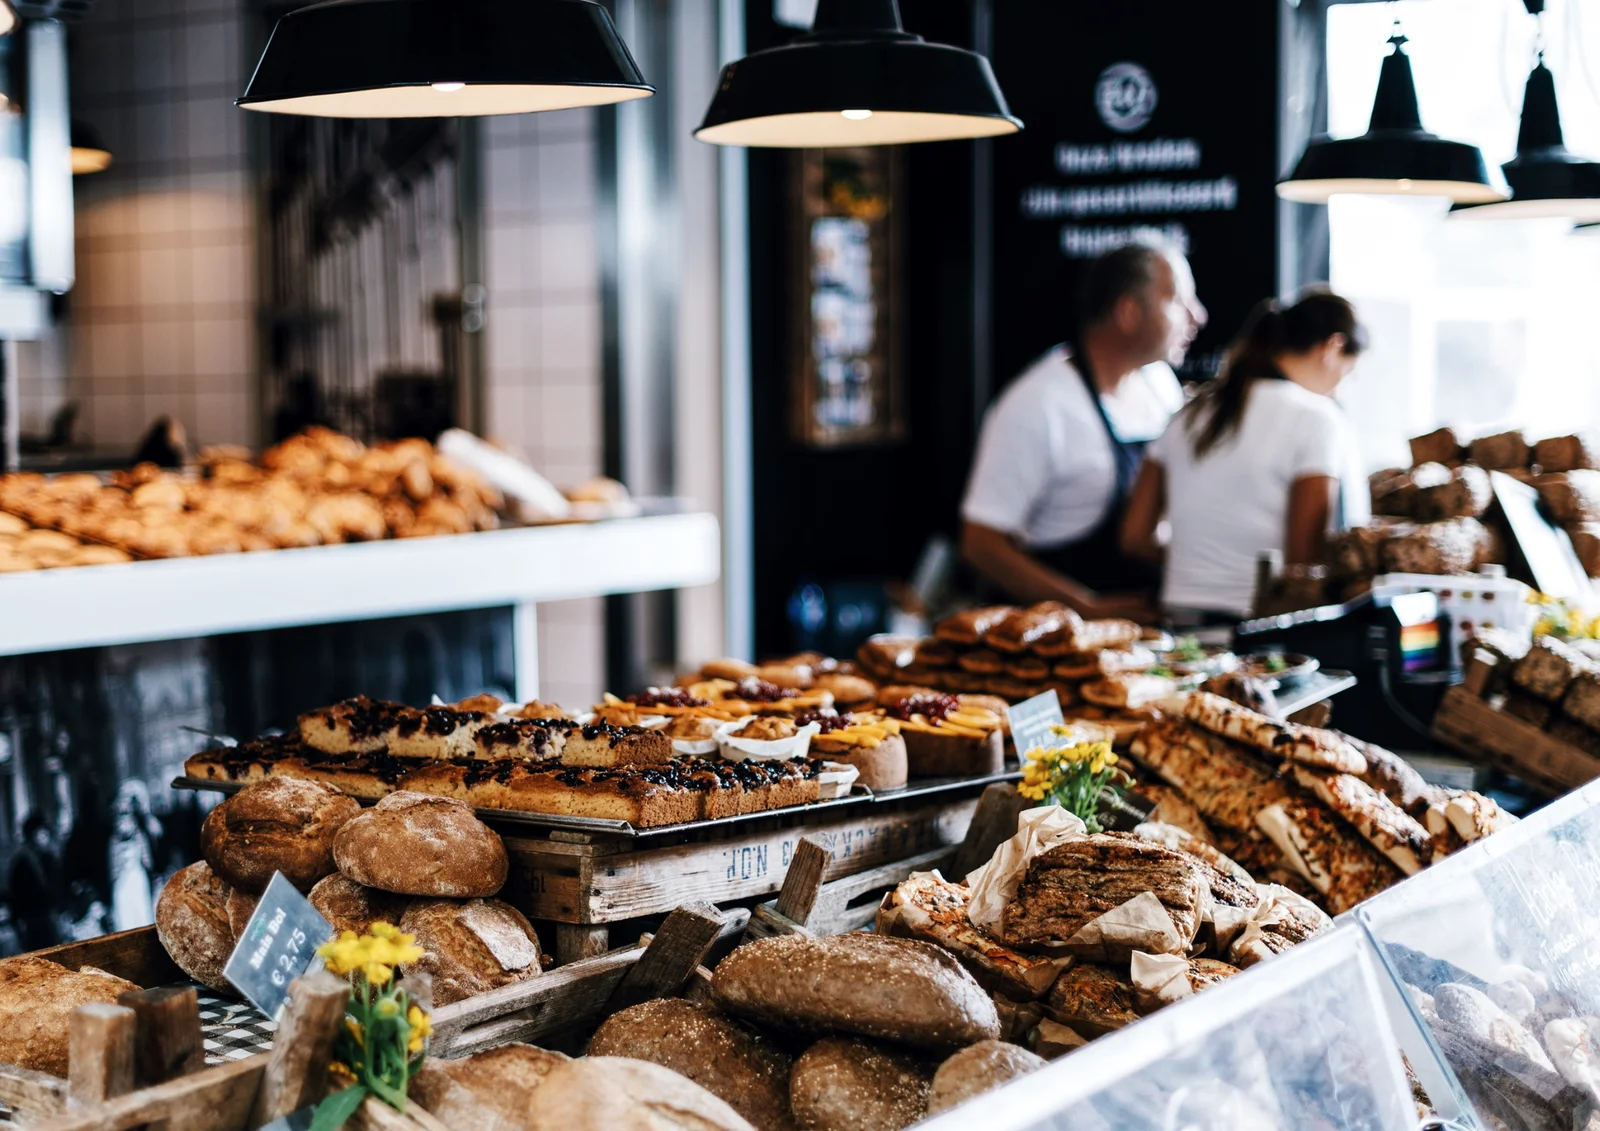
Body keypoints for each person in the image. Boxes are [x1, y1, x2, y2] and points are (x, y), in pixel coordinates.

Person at [960, 241, 1208, 620]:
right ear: (1128, 312)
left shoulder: (1159, 383)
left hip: (1149, 631)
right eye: (1178, 301)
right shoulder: (1038, 404)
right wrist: (1084, 608)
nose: (1198, 316)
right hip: (1059, 641)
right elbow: (980, 544)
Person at [1120, 290, 1371, 622]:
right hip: (1260, 629)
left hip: (1179, 623)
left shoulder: (1188, 414)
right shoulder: (1318, 419)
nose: (1341, 387)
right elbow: (1303, 563)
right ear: (1333, 348)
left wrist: (1201, 563)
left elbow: (1134, 537)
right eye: (1348, 373)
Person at [10, 813, 63, 951]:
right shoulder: (22, 865)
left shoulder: (50, 860)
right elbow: (16, 900)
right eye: (41, 834)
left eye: (46, 834)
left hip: (53, 922)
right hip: (35, 925)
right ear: (31, 836)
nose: (45, 838)